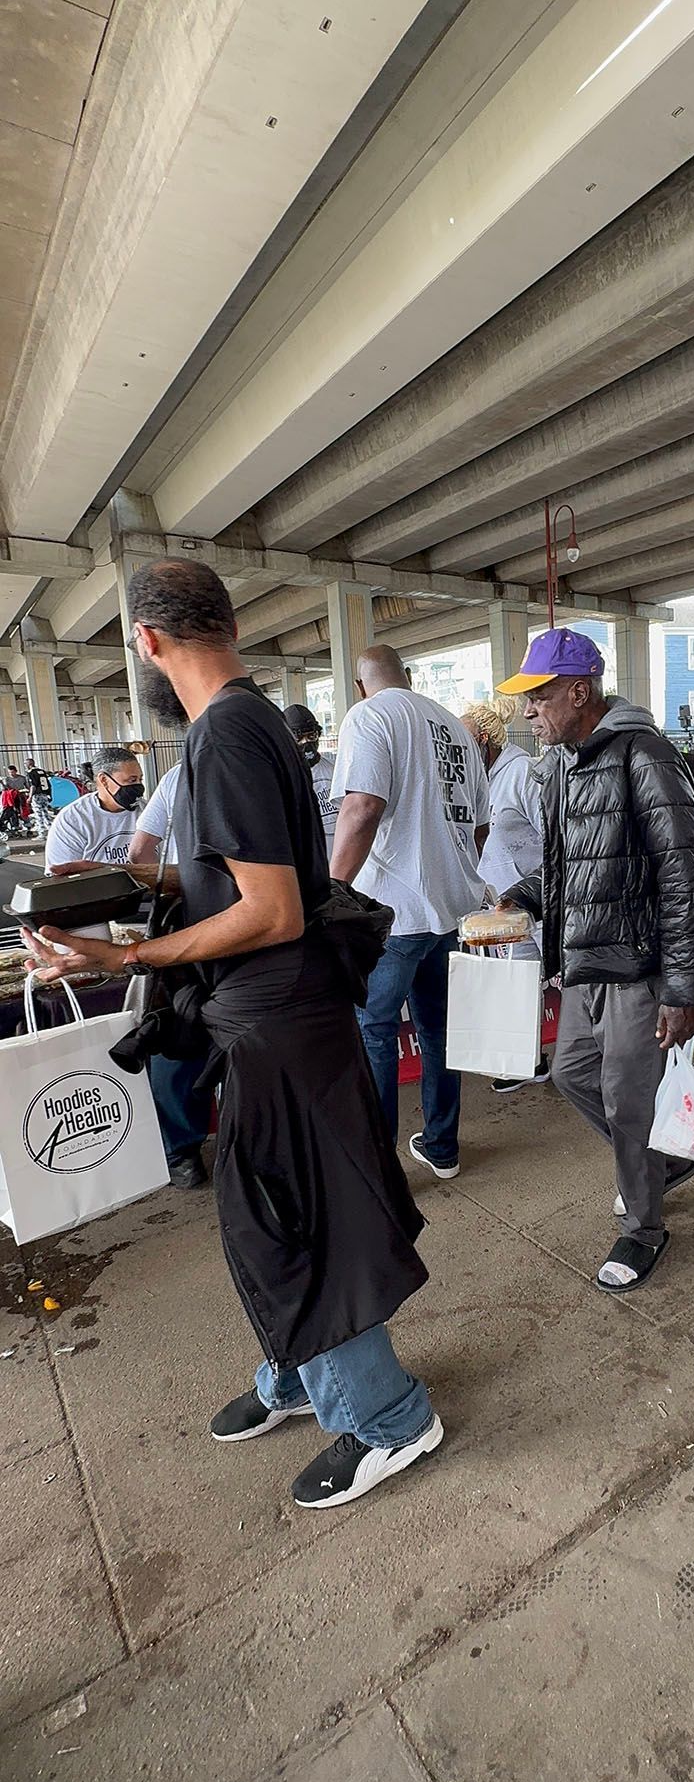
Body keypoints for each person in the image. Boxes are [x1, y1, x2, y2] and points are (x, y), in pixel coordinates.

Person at [24, 558, 440, 1511]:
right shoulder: (244, 723)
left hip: (281, 1020)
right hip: (272, 1021)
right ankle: (301, 1372)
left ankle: (387, 1416)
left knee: (299, 1222)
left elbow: (276, 909)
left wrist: (128, 958)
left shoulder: (228, 735)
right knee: (268, 1220)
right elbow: (256, 874)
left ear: (147, 642)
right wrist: (147, 888)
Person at [496, 628, 694, 1293]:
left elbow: (686, 874)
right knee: (572, 1074)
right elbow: (569, 867)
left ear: (579, 691)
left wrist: (682, 990)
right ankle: (660, 1164)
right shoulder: (564, 764)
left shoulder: (642, 754)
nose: (527, 712)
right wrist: (520, 899)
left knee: (625, 1102)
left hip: (639, 968)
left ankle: (645, 1227)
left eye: (538, 696)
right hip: (590, 962)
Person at [330, 645, 489, 1181]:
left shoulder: (369, 716)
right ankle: (442, 1146)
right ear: (411, 676)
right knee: (440, 1030)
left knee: (374, 1032)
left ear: (359, 685)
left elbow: (362, 807)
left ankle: (378, 1173)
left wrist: (333, 891)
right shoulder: (456, 729)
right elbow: (479, 827)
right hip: (450, 912)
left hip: (391, 915)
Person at [127, 757, 211, 1193]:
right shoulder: (278, 767)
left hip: (193, 923)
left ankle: (183, 1151)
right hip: (260, 924)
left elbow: (143, 850)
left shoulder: (184, 773)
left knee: (182, 1034)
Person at [461, 696, 549, 1094]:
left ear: (483, 739)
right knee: (516, 981)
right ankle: (527, 1061)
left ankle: (592, 1057)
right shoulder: (476, 779)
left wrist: (537, 886)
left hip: (537, 896)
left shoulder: (522, 773)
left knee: (560, 977)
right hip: (502, 902)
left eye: (464, 743)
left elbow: (556, 839)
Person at [43, 745, 145, 871]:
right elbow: (61, 877)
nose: (139, 787)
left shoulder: (148, 811)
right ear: (104, 780)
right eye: (132, 780)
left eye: (140, 779)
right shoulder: (73, 820)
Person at [282, 704, 340, 859]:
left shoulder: (335, 770)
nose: (306, 743)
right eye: (298, 738)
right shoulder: (282, 777)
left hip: (338, 861)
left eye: (311, 736)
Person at [26, 761, 55, 835]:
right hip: (45, 794)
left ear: (29, 765)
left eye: (26, 764)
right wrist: (49, 794)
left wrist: (30, 796)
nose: (25, 765)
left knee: (38, 813)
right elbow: (48, 784)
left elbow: (33, 786)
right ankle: (50, 829)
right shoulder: (42, 771)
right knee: (45, 812)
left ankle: (41, 832)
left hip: (37, 795)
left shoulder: (31, 773)